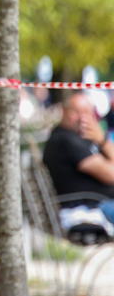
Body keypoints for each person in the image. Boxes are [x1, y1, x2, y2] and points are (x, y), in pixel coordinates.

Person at [43, 90, 114, 224]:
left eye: (87, 112)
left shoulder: (81, 137)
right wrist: (103, 140)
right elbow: (111, 175)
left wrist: (101, 140)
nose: (82, 117)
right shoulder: (66, 140)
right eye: (76, 111)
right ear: (64, 111)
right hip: (88, 209)